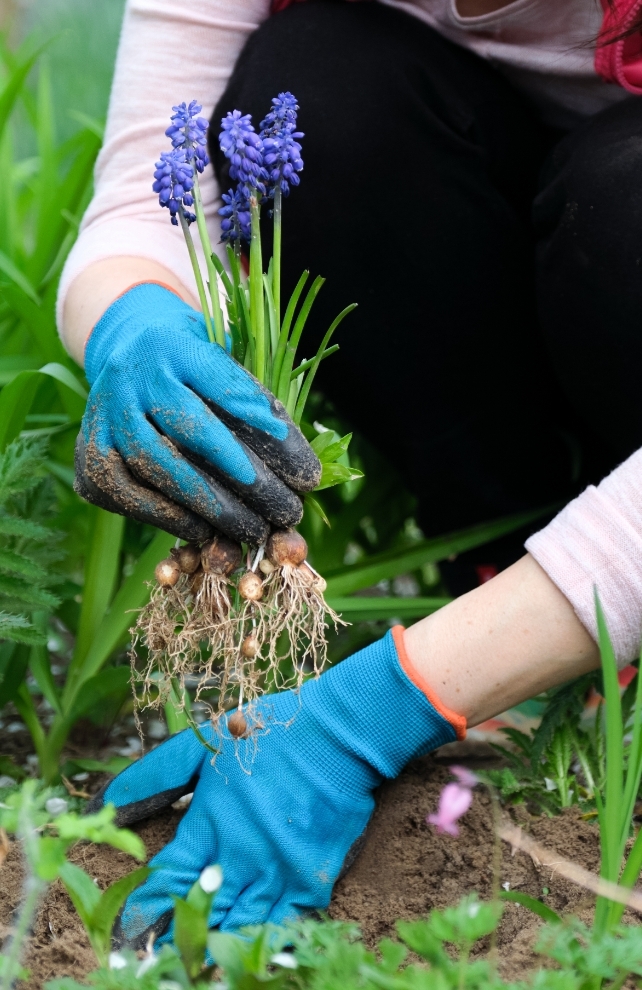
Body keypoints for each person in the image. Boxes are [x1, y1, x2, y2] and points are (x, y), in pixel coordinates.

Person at [63, 0, 642, 949]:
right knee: (322, 83)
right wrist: (135, 320)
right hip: (488, 298)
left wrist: (380, 707)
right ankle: (515, 595)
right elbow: (140, 202)